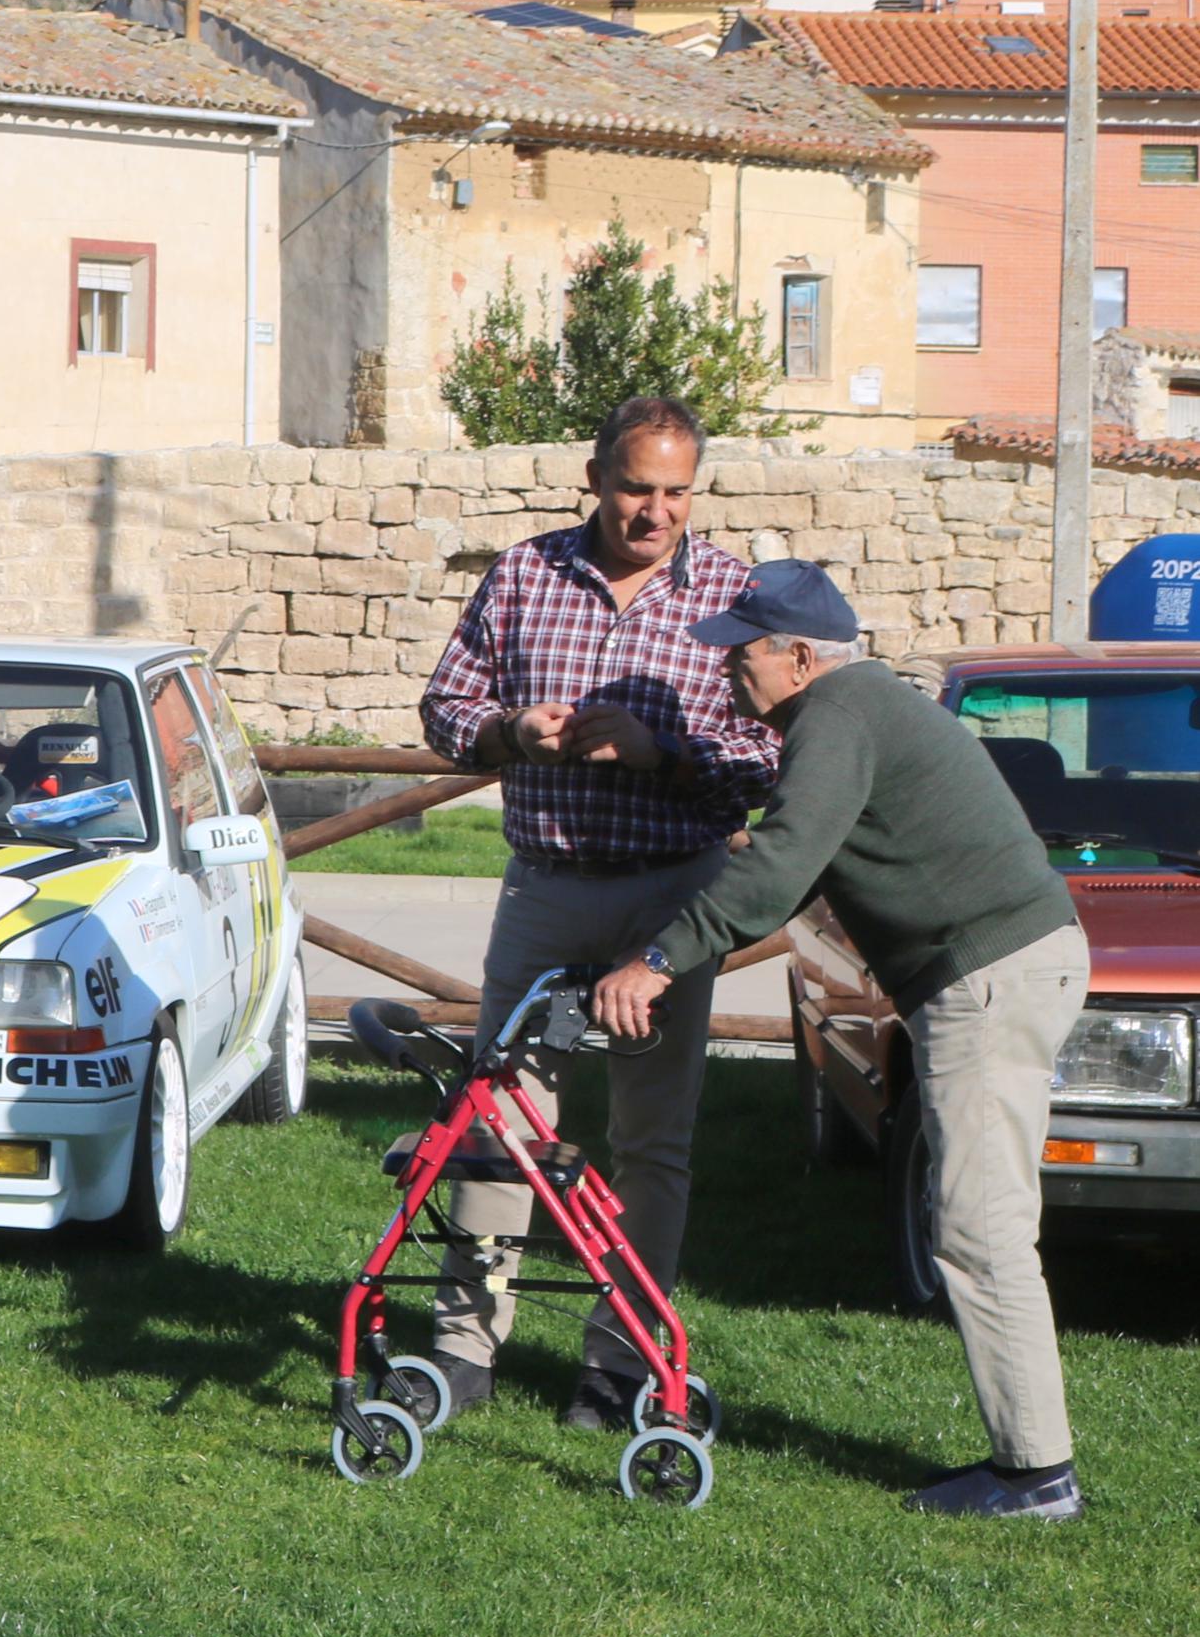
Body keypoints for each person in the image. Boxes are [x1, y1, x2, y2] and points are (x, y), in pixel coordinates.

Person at [589, 560, 1092, 1519]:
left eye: (744, 653)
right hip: (1002, 964)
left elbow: (777, 869)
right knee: (981, 1220)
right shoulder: (853, 708)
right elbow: (801, 840)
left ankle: (1035, 1475)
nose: (729, 668)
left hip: (985, 976)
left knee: (980, 1228)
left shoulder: (838, 715)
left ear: (800, 656)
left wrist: (655, 960)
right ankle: (1033, 1465)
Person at [411, 393, 780, 1427]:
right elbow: (444, 707)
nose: (652, 512)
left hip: (668, 899)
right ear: (592, 478)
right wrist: (505, 732)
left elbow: (763, 759)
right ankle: (460, 1351)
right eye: (633, 488)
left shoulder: (728, 592)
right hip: (543, 885)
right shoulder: (524, 572)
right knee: (494, 1122)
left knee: (649, 1141)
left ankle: (616, 1363)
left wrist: (661, 752)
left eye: (673, 491)